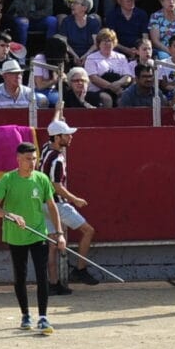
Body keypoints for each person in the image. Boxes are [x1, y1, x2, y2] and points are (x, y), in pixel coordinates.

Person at [0, 140, 57, 335]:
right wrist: (10, 215)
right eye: (28, 159)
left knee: (42, 274)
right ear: (18, 159)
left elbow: (51, 206)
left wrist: (59, 233)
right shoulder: (7, 179)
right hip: (16, 235)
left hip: (38, 232)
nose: (32, 162)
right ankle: (25, 314)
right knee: (20, 275)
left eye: (34, 158)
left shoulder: (42, 178)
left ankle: (43, 317)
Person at [42, 119, 100, 291]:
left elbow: (52, 125)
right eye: (66, 135)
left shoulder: (46, 148)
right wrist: (75, 199)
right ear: (57, 137)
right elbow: (56, 186)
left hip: (42, 204)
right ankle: (80, 269)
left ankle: (53, 284)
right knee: (88, 231)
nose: (70, 137)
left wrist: (58, 111)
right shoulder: (57, 159)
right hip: (57, 205)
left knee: (52, 245)